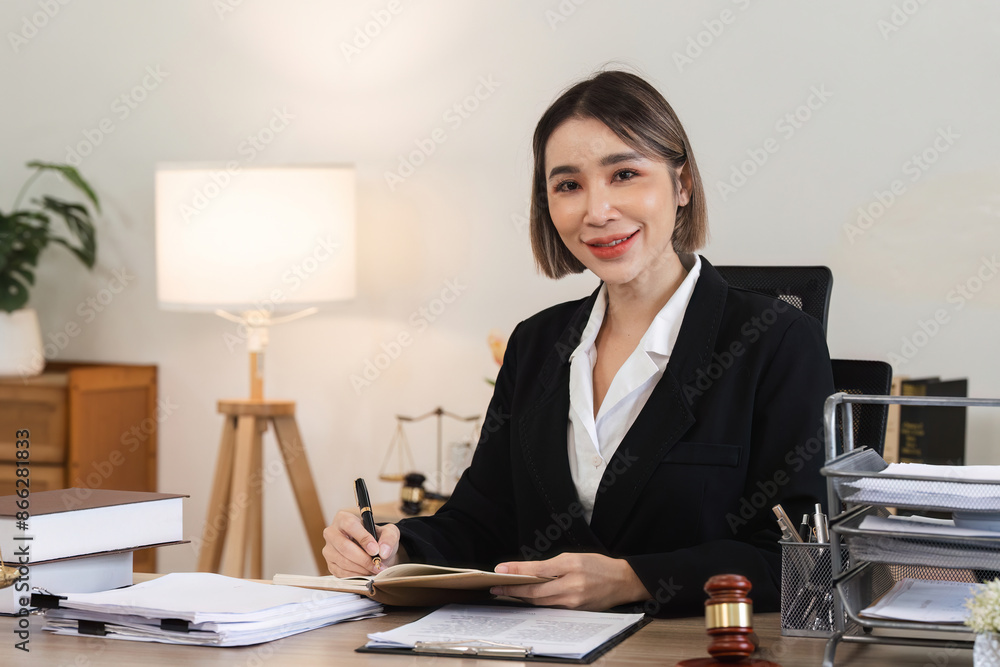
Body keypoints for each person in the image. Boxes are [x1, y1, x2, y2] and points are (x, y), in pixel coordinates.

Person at [323, 70, 834, 617]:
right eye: (568, 185)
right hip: (535, 648)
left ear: (682, 185)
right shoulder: (537, 343)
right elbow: (484, 520)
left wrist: (636, 579)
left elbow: (804, 558)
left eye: (625, 174)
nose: (597, 211)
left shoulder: (775, 340)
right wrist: (399, 545)